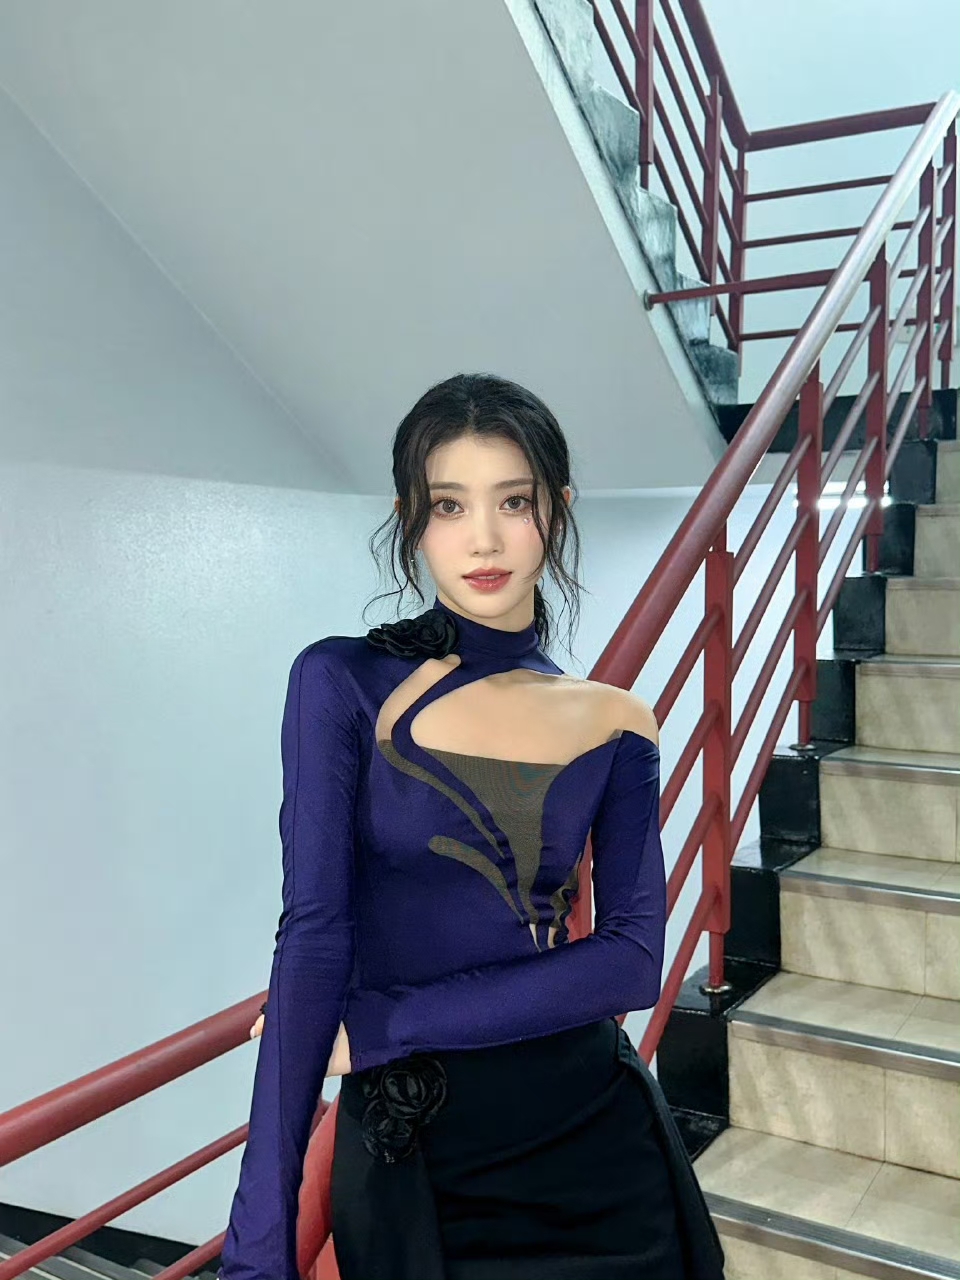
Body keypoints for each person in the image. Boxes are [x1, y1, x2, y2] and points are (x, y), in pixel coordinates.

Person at [219, 373, 725, 1280]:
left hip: (597, 1145)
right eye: (449, 505)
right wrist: (257, 1259)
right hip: (421, 1161)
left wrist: (385, 1024)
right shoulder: (342, 681)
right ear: (411, 520)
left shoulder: (615, 720)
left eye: (513, 502)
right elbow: (314, 935)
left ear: (555, 511)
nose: (483, 539)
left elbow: (630, 961)